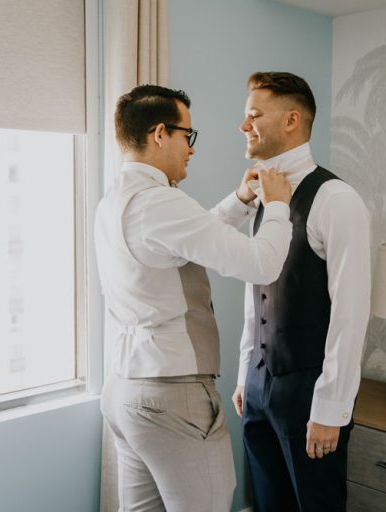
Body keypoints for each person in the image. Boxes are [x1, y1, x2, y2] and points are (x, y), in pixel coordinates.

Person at [94, 84, 293, 512]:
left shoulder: (116, 201)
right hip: (172, 396)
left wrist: (241, 201)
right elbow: (262, 265)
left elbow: (187, 239)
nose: (191, 148)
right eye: (188, 135)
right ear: (160, 133)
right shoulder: (160, 203)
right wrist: (278, 206)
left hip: (125, 392)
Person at [231, 71, 371, 512]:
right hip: (257, 386)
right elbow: (256, 295)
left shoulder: (336, 200)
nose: (244, 125)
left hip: (310, 390)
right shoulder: (259, 194)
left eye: (254, 114)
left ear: (292, 120)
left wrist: (331, 407)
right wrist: (244, 374)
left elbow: (351, 312)